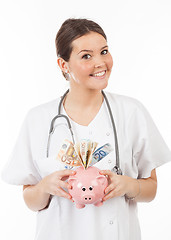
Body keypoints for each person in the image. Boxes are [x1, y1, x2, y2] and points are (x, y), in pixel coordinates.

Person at [1, 18, 171, 240]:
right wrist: (44, 187)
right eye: (86, 56)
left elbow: (151, 191)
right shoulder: (39, 119)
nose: (100, 63)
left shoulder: (131, 112)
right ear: (64, 65)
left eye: (104, 51)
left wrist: (128, 185)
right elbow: (30, 201)